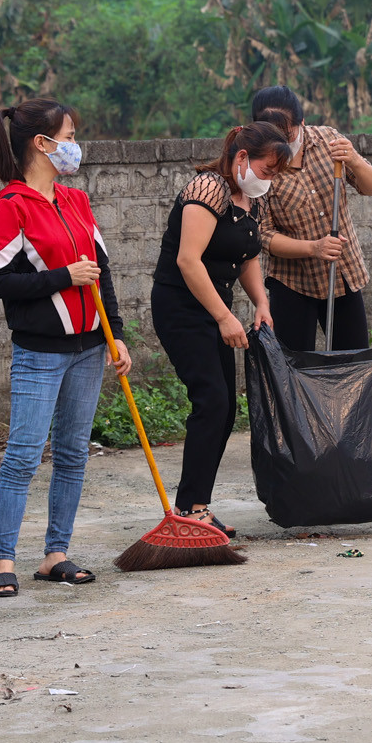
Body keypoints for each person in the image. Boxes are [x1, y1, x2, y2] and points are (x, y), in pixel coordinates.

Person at [0, 100, 133, 597]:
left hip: (91, 348)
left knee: (72, 454)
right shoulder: (9, 207)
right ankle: (4, 561)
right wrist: (61, 278)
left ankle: (55, 555)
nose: (74, 144)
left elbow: (102, 273)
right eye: (68, 135)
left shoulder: (77, 201)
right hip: (39, 352)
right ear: (41, 144)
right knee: (23, 455)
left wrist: (118, 334)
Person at [151, 122, 293, 536]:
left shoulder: (249, 199)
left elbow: (247, 256)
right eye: (268, 170)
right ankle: (187, 510)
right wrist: (223, 317)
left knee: (225, 407)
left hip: (216, 308)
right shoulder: (207, 189)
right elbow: (188, 261)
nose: (270, 180)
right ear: (242, 158)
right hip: (182, 307)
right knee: (211, 400)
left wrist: (261, 303)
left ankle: (198, 505)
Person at [249, 85, 372, 351]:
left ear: (301, 122)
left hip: (343, 274)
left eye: (286, 135)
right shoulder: (260, 164)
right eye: (272, 136)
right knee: (296, 370)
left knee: (352, 363)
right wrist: (314, 248)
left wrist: (354, 160)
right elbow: (263, 235)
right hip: (293, 283)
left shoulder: (328, 141)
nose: (281, 144)